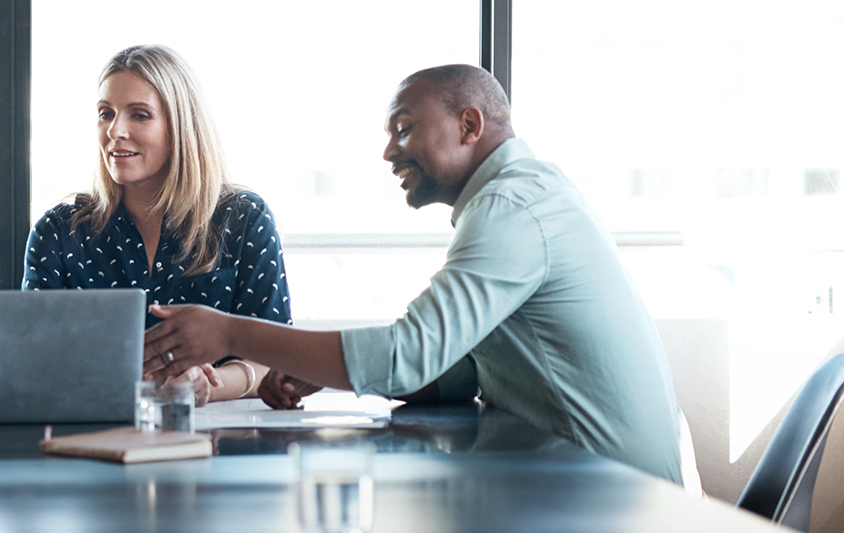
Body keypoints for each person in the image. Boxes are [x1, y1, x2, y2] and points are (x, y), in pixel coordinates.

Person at [140, 64, 686, 484]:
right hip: (594, 483)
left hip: (610, 500)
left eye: (404, 128)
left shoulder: (511, 208)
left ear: (469, 124)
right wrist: (328, 368)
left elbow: (408, 355)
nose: (387, 151)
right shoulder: (528, 194)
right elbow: (468, 368)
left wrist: (230, 331)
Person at [22, 44, 290, 406]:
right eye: (106, 113)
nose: (115, 130)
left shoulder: (243, 218)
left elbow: (276, 355)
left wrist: (209, 385)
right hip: (94, 439)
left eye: (140, 115)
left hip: (220, 442)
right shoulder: (58, 232)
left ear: (181, 126)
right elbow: (30, 362)